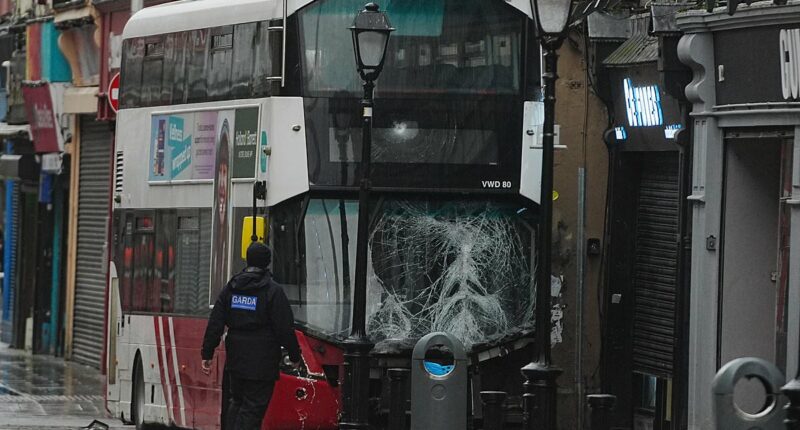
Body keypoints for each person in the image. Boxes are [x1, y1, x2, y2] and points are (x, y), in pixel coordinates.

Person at [201, 242, 302, 430]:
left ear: (247, 260)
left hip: (236, 359)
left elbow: (216, 322)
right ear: (267, 263)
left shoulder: (231, 288)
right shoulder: (273, 291)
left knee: (236, 401)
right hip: (262, 361)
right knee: (253, 407)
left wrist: (207, 353)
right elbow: (284, 328)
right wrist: (295, 355)